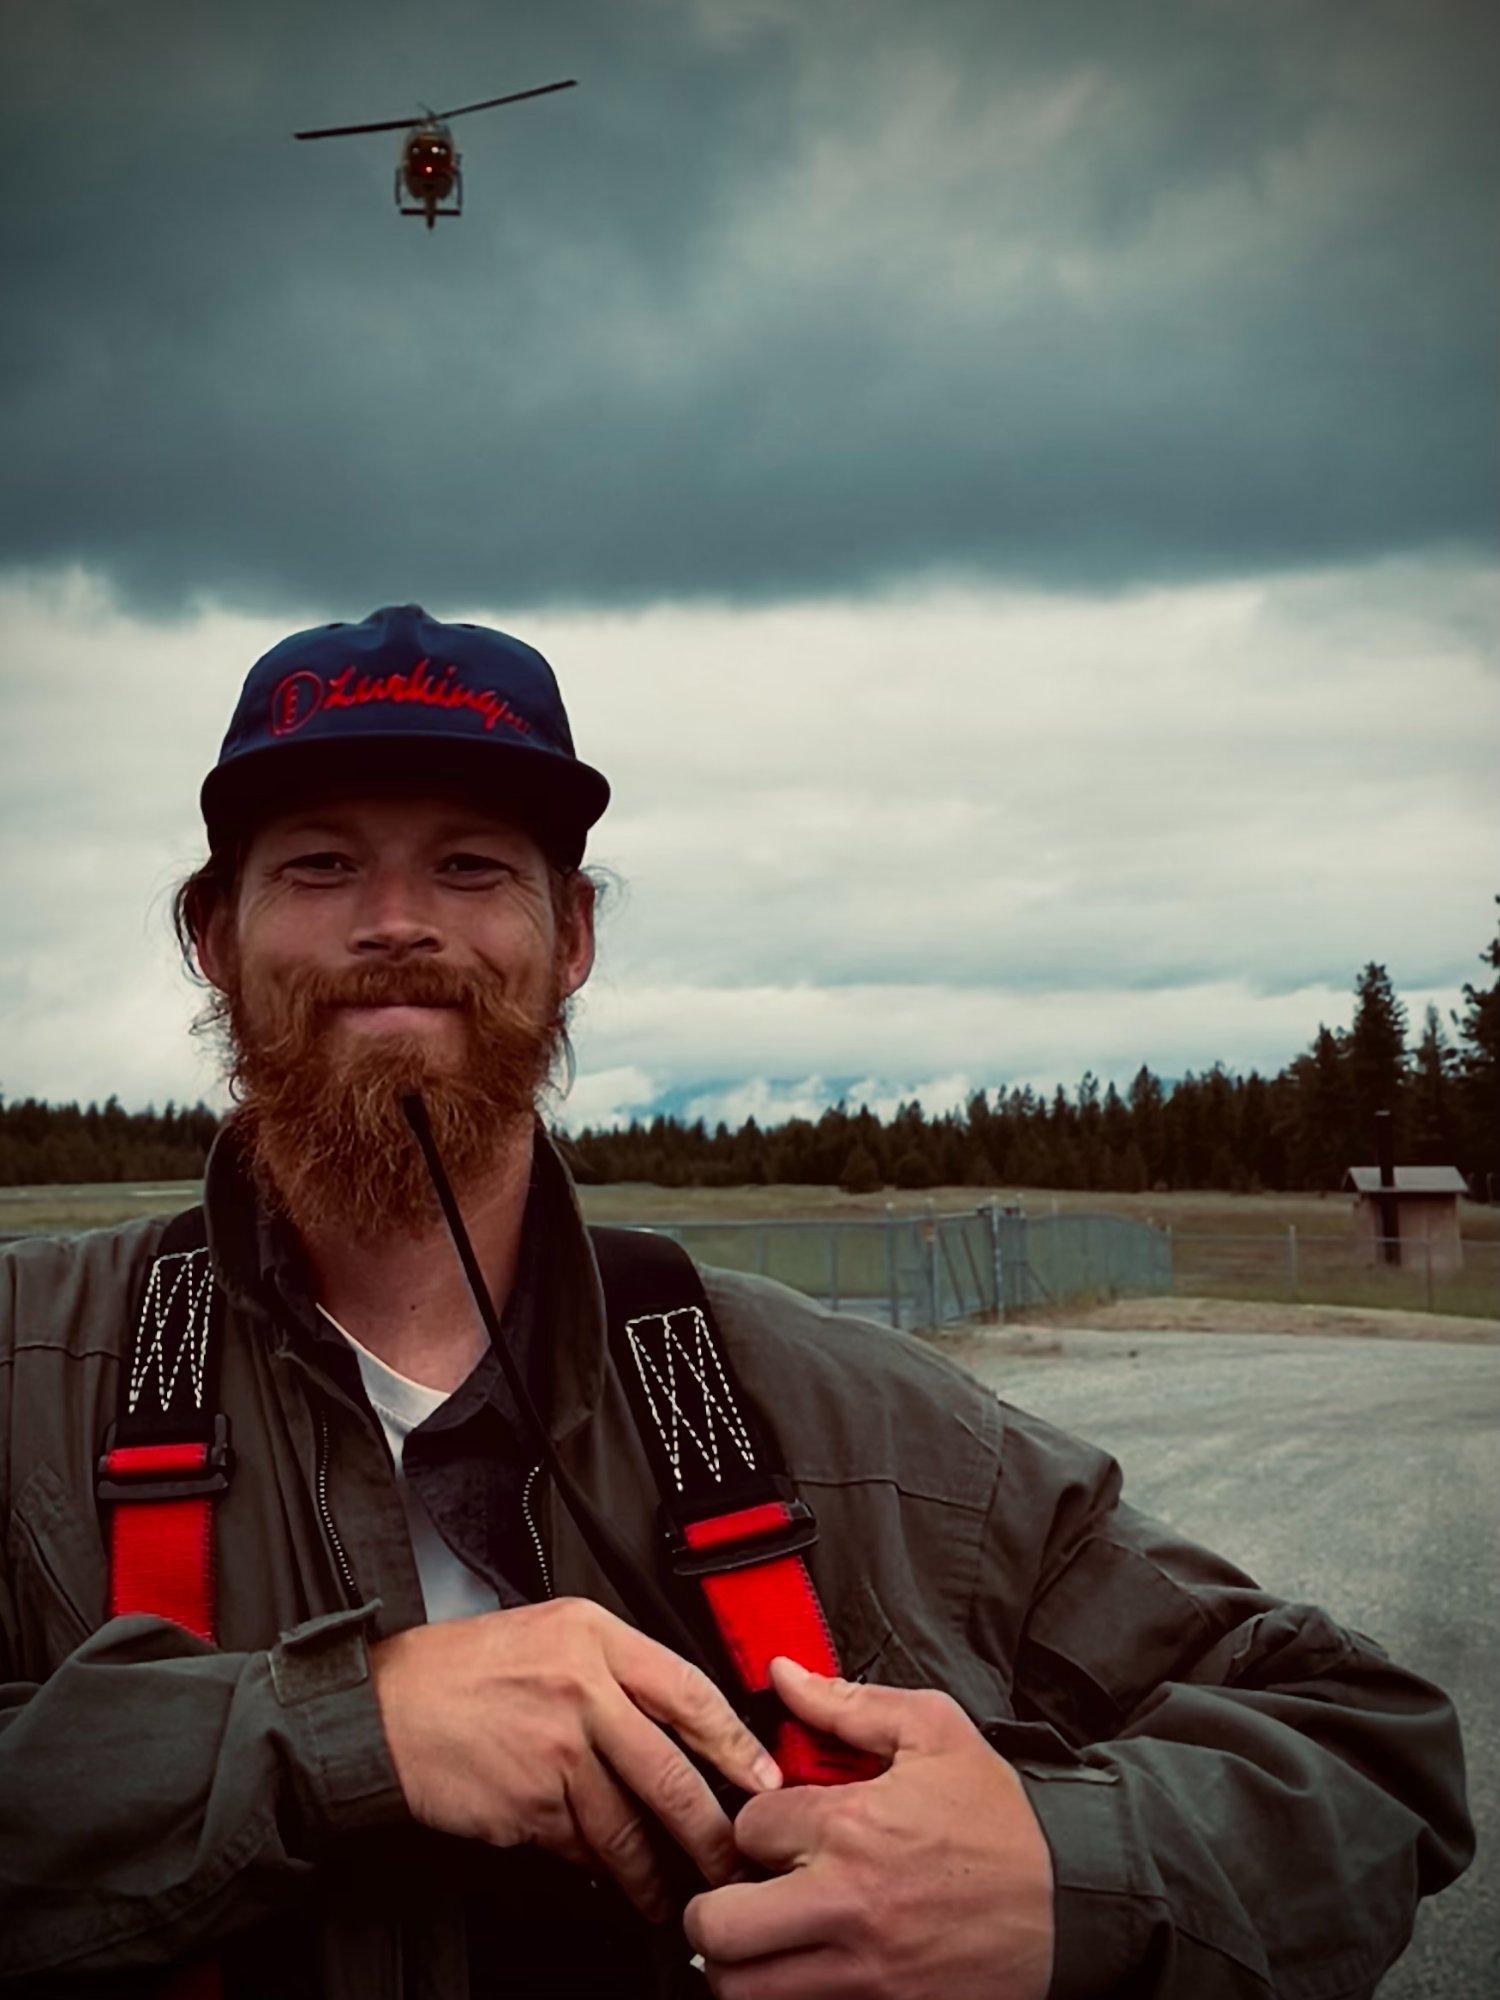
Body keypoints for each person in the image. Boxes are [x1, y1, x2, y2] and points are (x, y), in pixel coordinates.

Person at [0, 604, 1471, 1999]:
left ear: (572, 937)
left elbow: (1363, 1747)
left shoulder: (832, 1413)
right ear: (213, 935)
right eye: (321, 865)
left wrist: (1057, 1876)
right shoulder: (26, 1377)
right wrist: (344, 1729)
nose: (396, 923)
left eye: (470, 867)